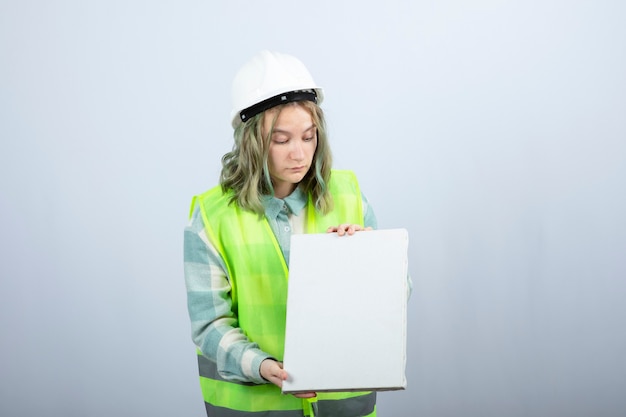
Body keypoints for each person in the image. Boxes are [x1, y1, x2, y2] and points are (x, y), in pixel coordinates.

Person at [184, 50, 379, 417]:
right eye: (281, 140)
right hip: (257, 408)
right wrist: (262, 366)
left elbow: (397, 292)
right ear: (251, 141)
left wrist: (367, 259)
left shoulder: (350, 195)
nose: (299, 154)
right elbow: (210, 325)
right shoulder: (211, 217)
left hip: (345, 407)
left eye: (308, 137)